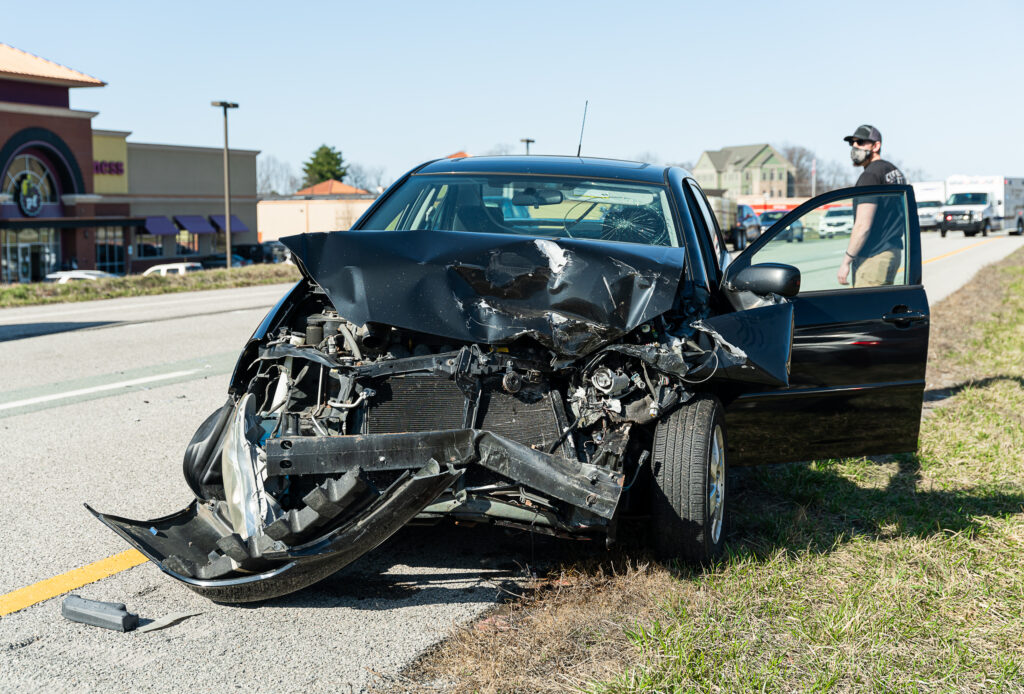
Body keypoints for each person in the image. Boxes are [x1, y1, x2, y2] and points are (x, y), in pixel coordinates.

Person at [837, 124, 907, 287]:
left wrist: (846, 261)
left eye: (861, 142)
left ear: (876, 146)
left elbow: (863, 225)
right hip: (892, 253)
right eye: (852, 143)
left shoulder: (870, 176)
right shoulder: (894, 172)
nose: (855, 147)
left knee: (864, 310)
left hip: (873, 257)